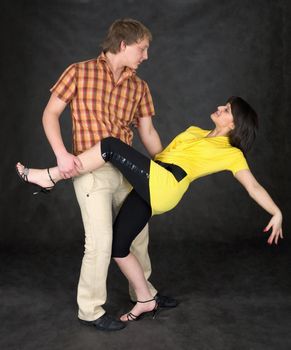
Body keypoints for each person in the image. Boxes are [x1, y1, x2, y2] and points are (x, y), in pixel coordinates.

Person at [16, 96, 283, 322]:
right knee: (119, 248)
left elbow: (253, 187)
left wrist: (276, 212)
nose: (221, 108)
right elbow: (162, 155)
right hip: (154, 178)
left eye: (227, 110)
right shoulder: (194, 131)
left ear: (234, 124)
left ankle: (49, 176)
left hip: (166, 185)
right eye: (224, 105)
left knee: (109, 145)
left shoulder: (231, 153)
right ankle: (146, 299)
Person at [31, 18, 177, 331]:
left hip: (127, 170)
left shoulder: (139, 86)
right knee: (100, 242)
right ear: (123, 45)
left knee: (137, 237)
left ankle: (145, 294)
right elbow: (50, 113)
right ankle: (91, 310)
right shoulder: (78, 72)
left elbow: (148, 132)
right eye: (142, 49)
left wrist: (165, 167)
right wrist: (61, 153)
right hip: (90, 169)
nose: (146, 56)